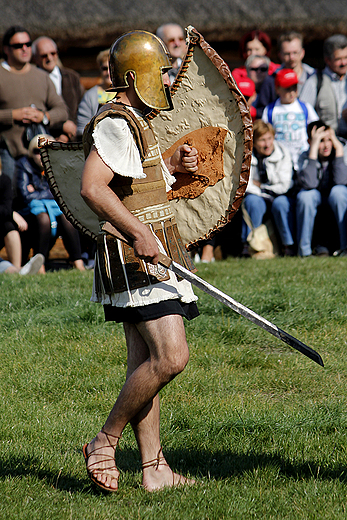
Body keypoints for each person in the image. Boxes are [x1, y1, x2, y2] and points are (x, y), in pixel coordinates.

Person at [80, 31, 199, 492]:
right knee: (171, 357)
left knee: (143, 364)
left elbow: (136, 182)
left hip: (151, 251)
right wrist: (137, 231)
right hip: (135, 257)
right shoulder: (116, 120)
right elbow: (94, 187)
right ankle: (105, 442)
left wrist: (172, 164)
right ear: (134, 76)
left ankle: (155, 471)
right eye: (161, 71)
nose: (167, 80)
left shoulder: (137, 120)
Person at [0, 26, 68, 182]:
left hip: (40, 155)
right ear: (6, 49)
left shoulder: (42, 76)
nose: (24, 49)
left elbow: (62, 110)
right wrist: (12, 115)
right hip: (8, 152)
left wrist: (43, 116)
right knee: (10, 200)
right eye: (18, 46)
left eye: (28, 44)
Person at [16, 135, 85, 273]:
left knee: (68, 218)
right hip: (29, 212)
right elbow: (25, 195)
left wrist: (37, 191)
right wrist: (48, 192)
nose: (41, 154)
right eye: (37, 150)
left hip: (55, 208)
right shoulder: (23, 164)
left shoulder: (58, 166)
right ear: (30, 151)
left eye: (46, 150)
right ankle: (39, 264)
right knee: (43, 219)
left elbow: (65, 192)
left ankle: (78, 262)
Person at [241, 120, 295, 257]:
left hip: (279, 195)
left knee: (281, 203)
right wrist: (262, 190)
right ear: (254, 141)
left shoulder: (283, 153)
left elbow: (284, 185)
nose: (267, 144)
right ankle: (249, 246)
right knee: (253, 202)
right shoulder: (247, 155)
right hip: (259, 196)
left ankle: (288, 245)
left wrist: (262, 187)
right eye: (262, 140)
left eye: (270, 138)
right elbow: (246, 184)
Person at [296, 120, 347, 257]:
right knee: (306, 195)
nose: (325, 145)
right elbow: (310, 183)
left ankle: (345, 248)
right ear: (309, 142)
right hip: (316, 198)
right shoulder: (304, 157)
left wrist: (340, 150)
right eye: (320, 140)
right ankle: (304, 251)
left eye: (328, 140)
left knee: (339, 192)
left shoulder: (342, 151)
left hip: (335, 198)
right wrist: (313, 150)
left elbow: (342, 181)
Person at [262, 69, 318, 170]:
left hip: (302, 158)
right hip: (280, 160)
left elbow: (316, 129)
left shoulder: (305, 107)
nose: (292, 92)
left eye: (294, 88)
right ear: (277, 89)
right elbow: (265, 132)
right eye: (287, 89)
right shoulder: (270, 110)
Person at [32, 36, 85, 142]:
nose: (49, 58)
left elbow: (82, 107)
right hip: (44, 140)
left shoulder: (72, 77)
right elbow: (34, 113)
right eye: (44, 55)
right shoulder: (32, 80)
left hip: (73, 139)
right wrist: (61, 127)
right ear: (35, 58)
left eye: (53, 53)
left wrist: (67, 134)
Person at [255, 32, 315, 118]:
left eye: (295, 53)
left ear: (302, 52)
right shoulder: (271, 80)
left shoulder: (315, 77)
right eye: (287, 54)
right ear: (280, 55)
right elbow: (262, 112)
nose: (291, 57)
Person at [300, 34, 347, 139]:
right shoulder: (315, 82)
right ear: (327, 60)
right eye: (338, 59)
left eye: (346, 57)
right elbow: (303, 115)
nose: (344, 63)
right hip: (326, 145)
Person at [76, 49, 114, 137]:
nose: (108, 73)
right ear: (99, 70)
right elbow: (82, 129)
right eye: (104, 69)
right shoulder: (90, 96)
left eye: (111, 68)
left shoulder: (125, 93)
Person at [0, 157, 28, 268]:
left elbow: (6, 208)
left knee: (8, 226)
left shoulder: (4, 180)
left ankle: (17, 269)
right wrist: (12, 213)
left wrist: (9, 213)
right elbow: (6, 210)